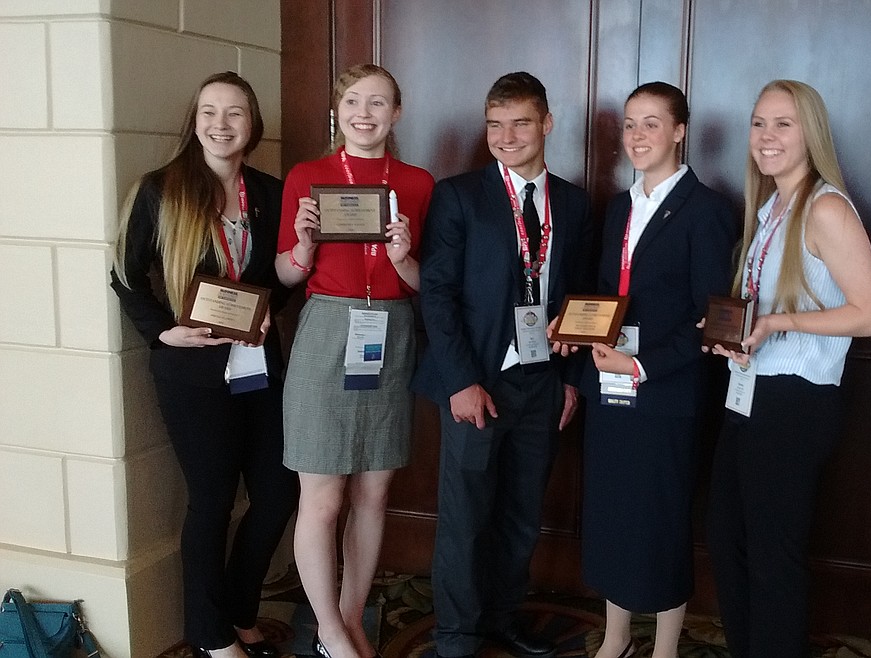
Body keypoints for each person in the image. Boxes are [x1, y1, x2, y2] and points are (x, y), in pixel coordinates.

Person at [111, 71, 297, 658]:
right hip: (191, 374)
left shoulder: (269, 192)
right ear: (195, 122)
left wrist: (271, 311)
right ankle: (212, 636)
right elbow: (124, 275)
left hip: (259, 364)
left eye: (235, 113)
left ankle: (242, 609)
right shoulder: (160, 190)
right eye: (210, 112)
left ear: (253, 124)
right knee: (212, 499)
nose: (222, 125)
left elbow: (273, 281)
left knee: (276, 492)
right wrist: (162, 332)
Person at [705, 80, 871, 658]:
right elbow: (768, 303)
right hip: (751, 391)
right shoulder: (770, 207)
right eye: (759, 123)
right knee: (731, 544)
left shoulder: (825, 206)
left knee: (771, 559)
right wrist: (737, 337)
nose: (767, 136)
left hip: (795, 403)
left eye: (783, 123)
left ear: (811, 132)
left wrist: (780, 325)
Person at [413, 71, 593, 658]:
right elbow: (436, 295)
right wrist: (461, 381)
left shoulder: (572, 201)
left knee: (521, 513)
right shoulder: (459, 195)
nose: (506, 136)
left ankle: (501, 616)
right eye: (495, 124)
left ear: (546, 123)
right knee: (465, 517)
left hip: (543, 382)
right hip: (477, 380)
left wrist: (570, 381)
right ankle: (457, 636)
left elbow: (580, 297)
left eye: (519, 122)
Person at [274, 64, 434, 658]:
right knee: (321, 497)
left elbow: (425, 286)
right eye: (353, 101)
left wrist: (402, 258)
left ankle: (351, 617)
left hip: (390, 333)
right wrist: (303, 246)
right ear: (336, 111)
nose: (364, 113)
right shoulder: (308, 176)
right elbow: (287, 275)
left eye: (378, 103)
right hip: (325, 329)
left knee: (373, 490)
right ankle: (329, 630)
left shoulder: (417, 183)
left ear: (397, 113)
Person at [579, 82, 735, 658]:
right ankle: (616, 637)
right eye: (629, 124)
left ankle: (666, 647)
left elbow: (708, 317)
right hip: (610, 385)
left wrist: (640, 363)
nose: (637, 136)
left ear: (679, 131)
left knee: (663, 521)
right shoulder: (620, 206)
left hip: (666, 392)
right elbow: (605, 294)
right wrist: (578, 332)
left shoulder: (708, 210)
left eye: (651, 123)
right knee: (614, 514)